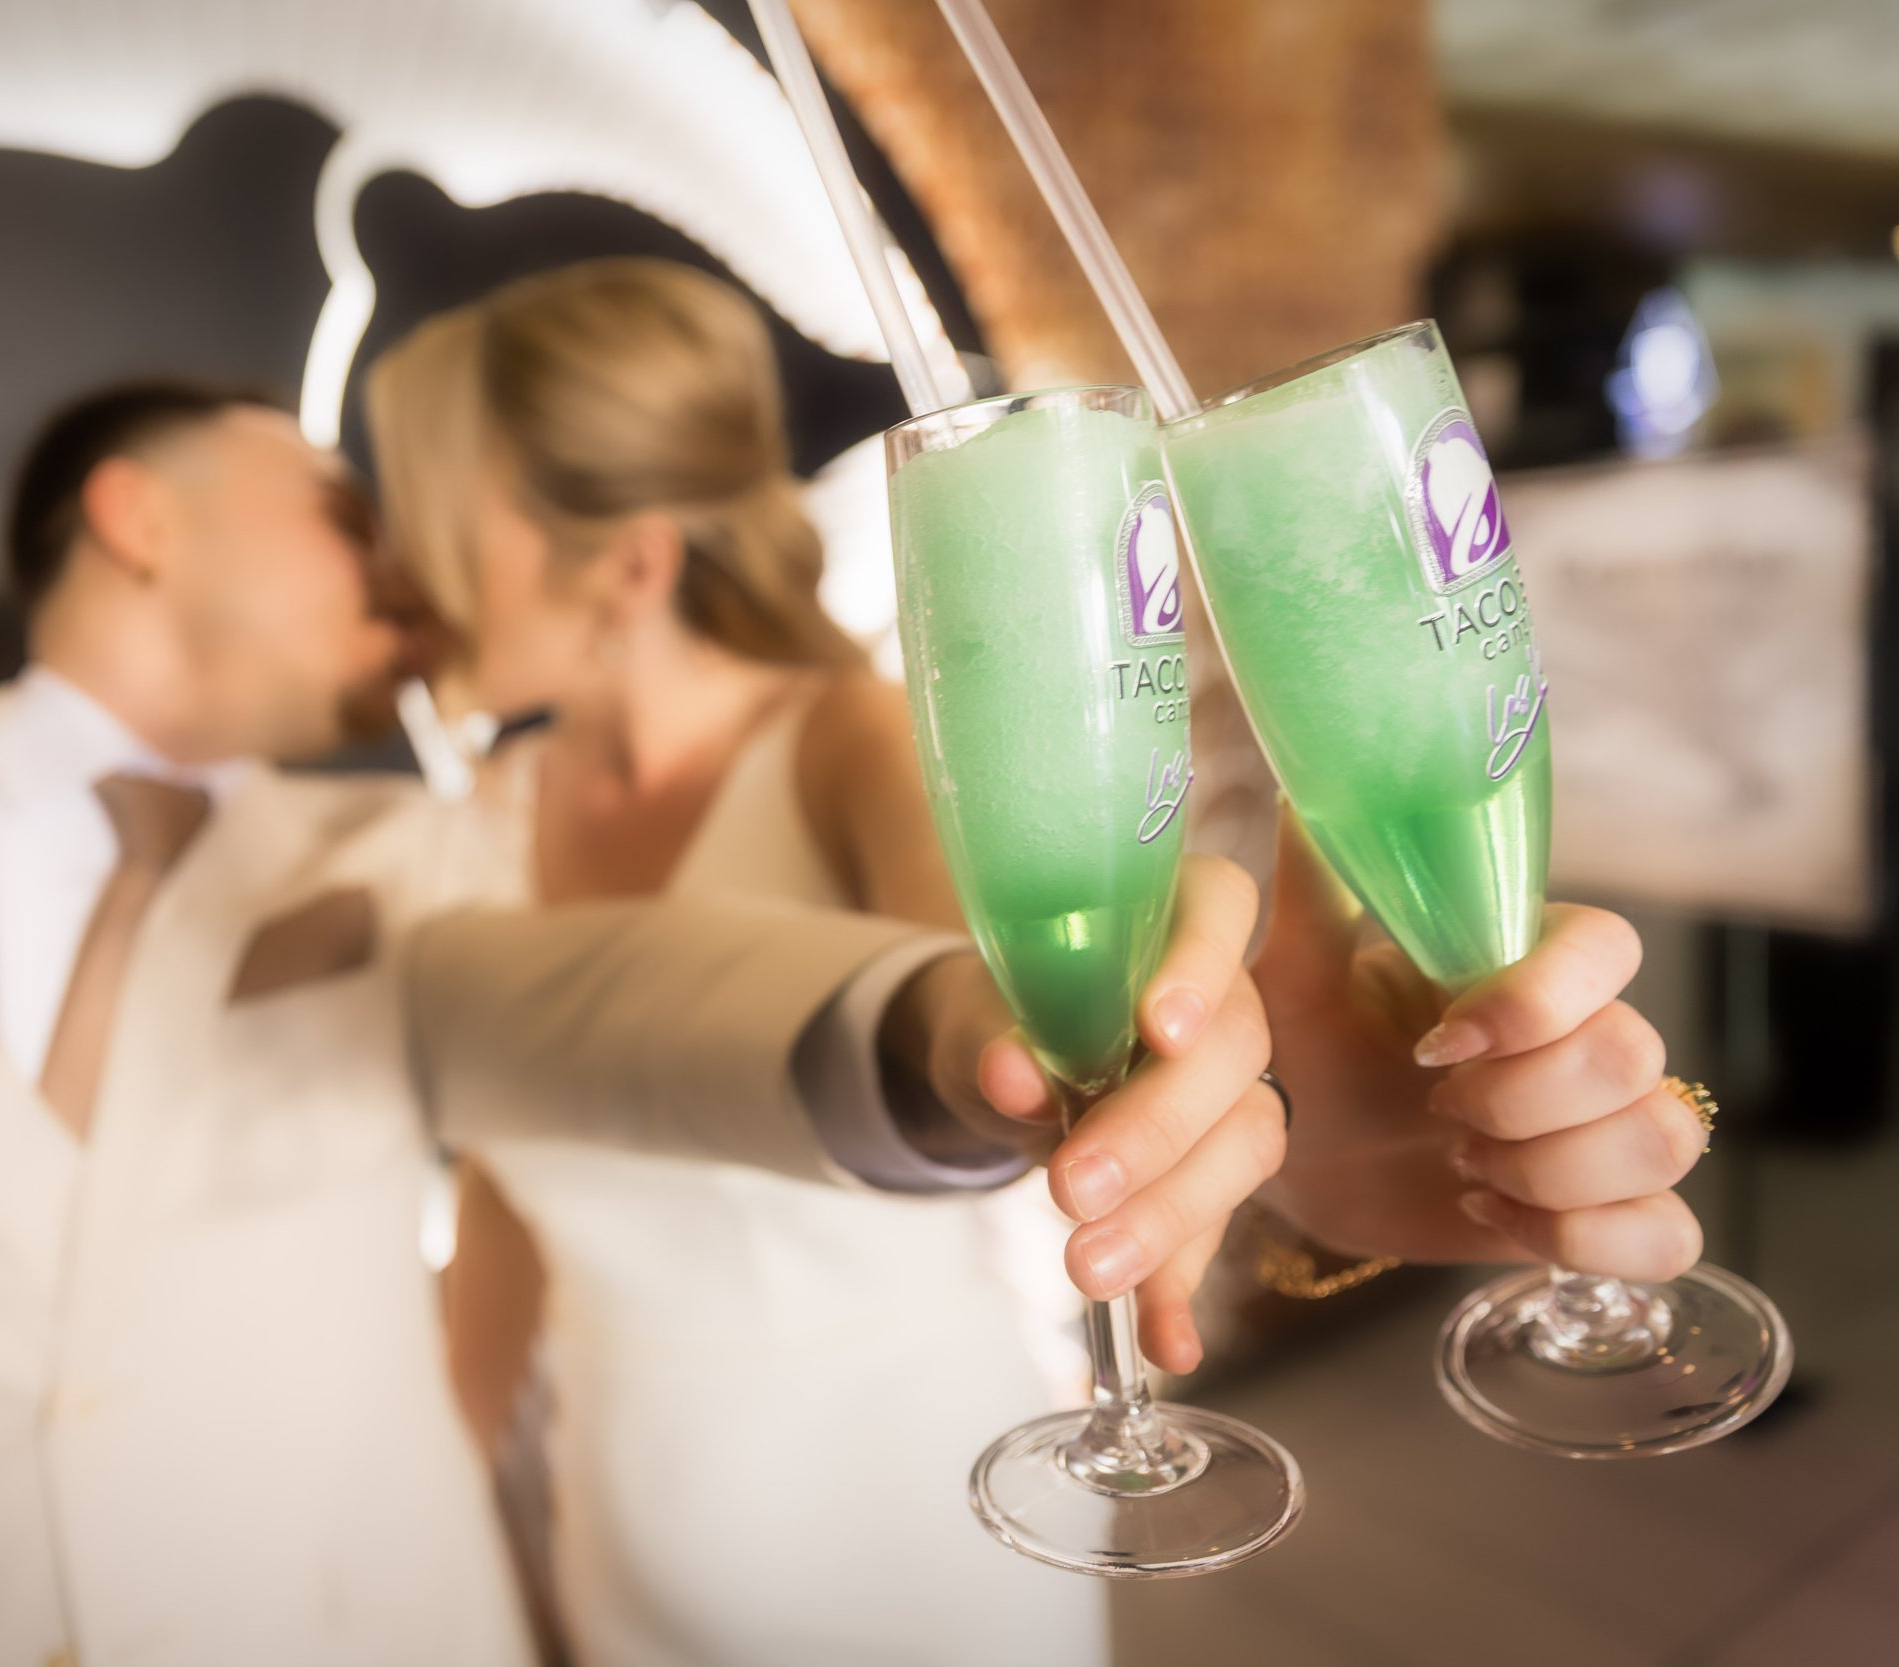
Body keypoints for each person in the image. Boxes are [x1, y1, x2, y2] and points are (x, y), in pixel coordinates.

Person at [0, 383, 1278, 1667]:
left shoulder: (416, 851)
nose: (398, 573)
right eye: (334, 514)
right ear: (138, 518)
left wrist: (945, 1034)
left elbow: (625, 1012)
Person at [366, 257, 1711, 1667]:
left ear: (627, 562)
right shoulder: (476, 829)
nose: (401, 568)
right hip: (623, 1540)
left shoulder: (862, 749)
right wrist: (460, 1554)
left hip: (912, 1530)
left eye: (432, 521)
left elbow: (996, 1066)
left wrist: (1292, 1156)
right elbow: (509, 1222)